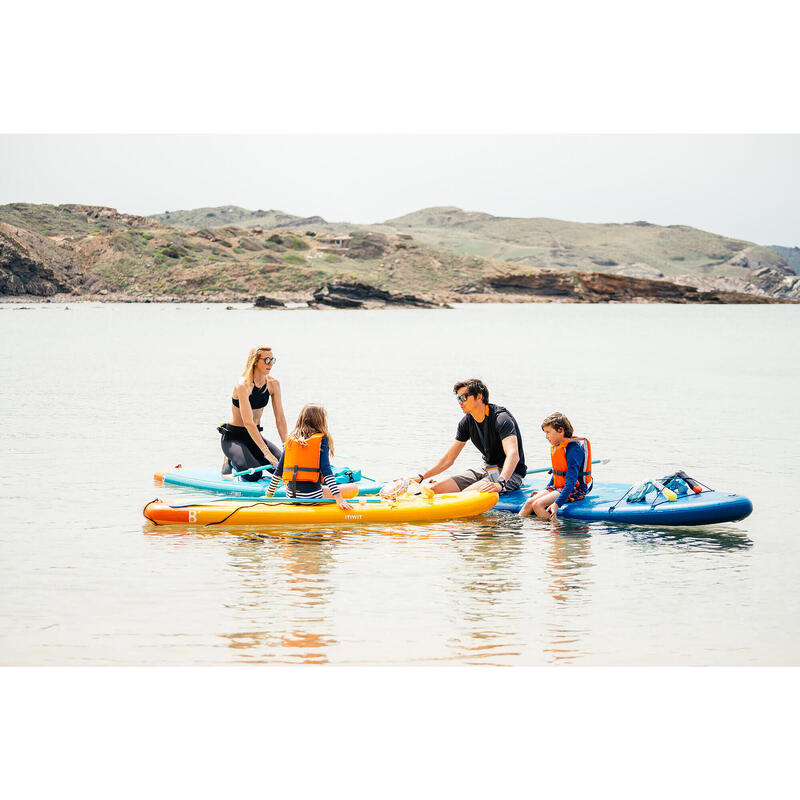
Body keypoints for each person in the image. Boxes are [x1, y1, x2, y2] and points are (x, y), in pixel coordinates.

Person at [411, 378, 527, 495]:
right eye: (458, 398)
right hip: (487, 468)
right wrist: (421, 477)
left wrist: (500, 482)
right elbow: (448, 459)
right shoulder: (466, 422)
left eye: (464, 397)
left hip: (511, 474)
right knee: (435, 490)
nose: (460, 402)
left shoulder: (501, 419)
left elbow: (513, 454)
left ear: (479, 396)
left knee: (465, 495)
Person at [265, 404, 353, 508]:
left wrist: (269, 495)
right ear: (320, 422)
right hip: (313, 497)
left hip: (291, 497)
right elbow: (326, 470)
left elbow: (279, 470)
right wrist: (338, 497)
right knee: (353, 488)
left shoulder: (291, 439)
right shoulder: (321, 440)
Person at [219, 345, 287, 482]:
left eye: (272, 360)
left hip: (255, 438)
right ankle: (230, 460)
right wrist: (267, 453)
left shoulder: (274, 384)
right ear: (255, 361)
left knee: (284, 469)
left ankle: (253, 456)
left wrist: (286, 445)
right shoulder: (243, 385)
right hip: (234, 437)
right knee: (254, 475)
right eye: (266, 360)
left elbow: (280, 418)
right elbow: (248, 422)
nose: (270, 364)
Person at [519, 412, 592, 520]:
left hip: (575, 488)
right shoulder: (558, 447)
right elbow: (558, 473)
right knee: (530, 502)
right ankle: (517, 528)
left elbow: (571, 482)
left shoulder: (573, 450)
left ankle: (554, 530)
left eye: (548, 432)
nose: (546, 436)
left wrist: (557, 504)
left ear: (561, 430)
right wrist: (546, 490)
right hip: (558, 487)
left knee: (537, 505)